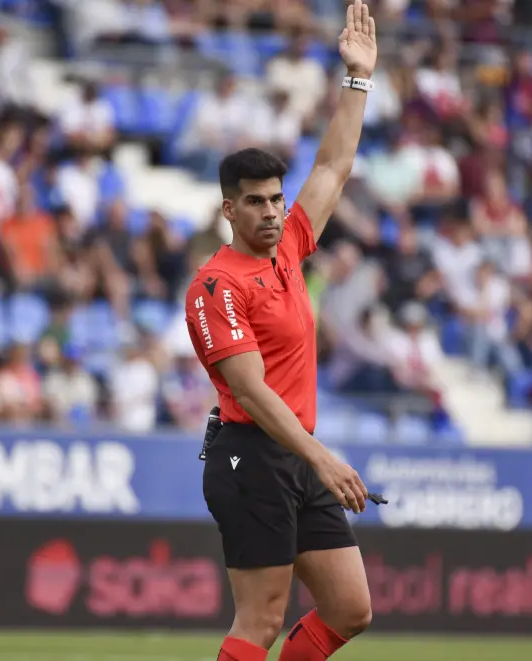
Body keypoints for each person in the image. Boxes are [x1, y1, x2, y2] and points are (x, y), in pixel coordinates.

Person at [183, 3, 378, 660]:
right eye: (257, 202)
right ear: (228, 208)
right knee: (260, 620)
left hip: (295, 453)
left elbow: (331, 169)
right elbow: (252, 391)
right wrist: (322, 457)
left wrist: (357, 81)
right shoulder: (216, 285)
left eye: (275, 198)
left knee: (350, 608)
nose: (272, 211)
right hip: (249, 454)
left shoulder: (289, 247)